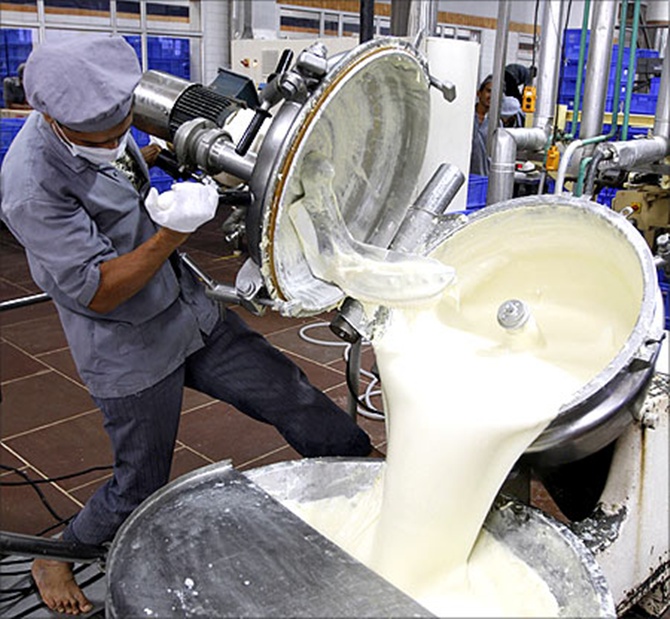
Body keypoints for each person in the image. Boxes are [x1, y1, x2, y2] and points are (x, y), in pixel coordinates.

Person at [0, 35, 375, 615]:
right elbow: (97, 290)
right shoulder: (31, 187)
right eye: (98, 139)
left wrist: (147, 160)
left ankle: (370, 480)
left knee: (292, 396)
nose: (114, 137)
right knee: (140, 484)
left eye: (120, 123)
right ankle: (59, 554)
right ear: (53, 119)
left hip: (186, 310)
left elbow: (119, 156)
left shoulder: (110, 115)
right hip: (127, 345)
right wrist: (173, 233)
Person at [470, 74, 492, 176]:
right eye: (488, 91)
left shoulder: (495, 123)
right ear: (479, 93)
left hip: (483, 179)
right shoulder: (467, 118)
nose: (491, 96)